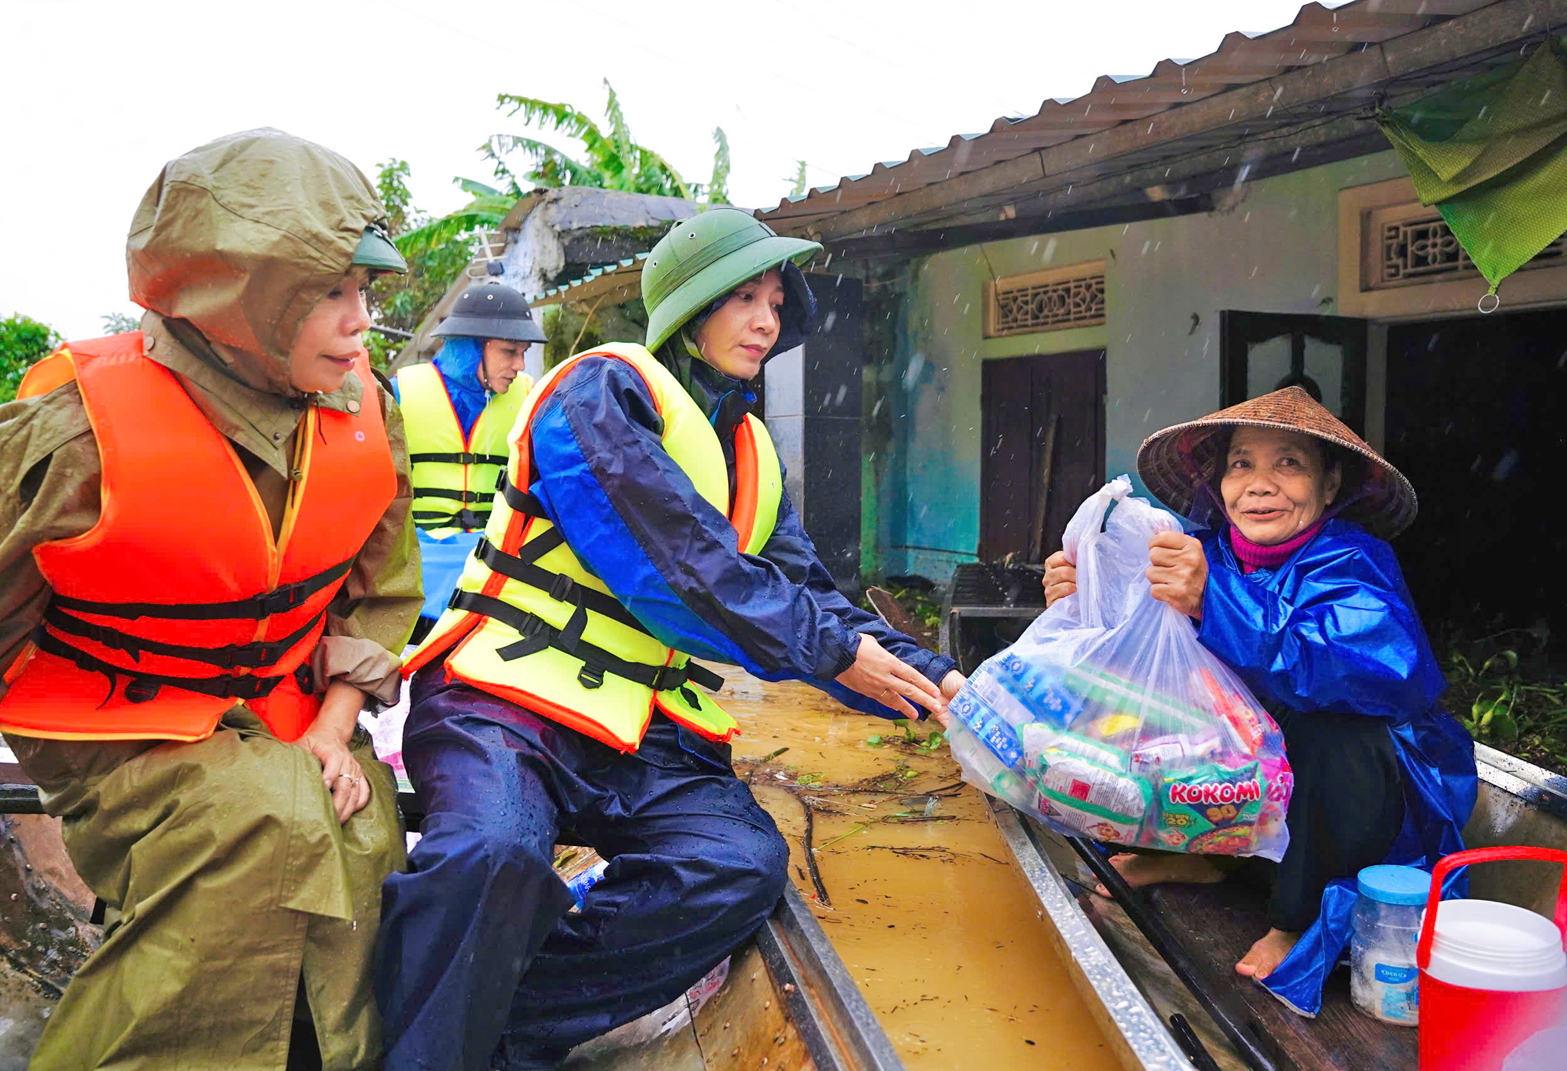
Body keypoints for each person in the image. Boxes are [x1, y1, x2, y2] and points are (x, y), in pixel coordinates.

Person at [377, 208, 964, 1071]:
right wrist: (833, 653)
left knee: (737, 865)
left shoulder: (754, 453)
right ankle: (425, 1046)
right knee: (492, 853)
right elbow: (675, 568)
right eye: (744, 298)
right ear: (690, 308)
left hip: (645, 730)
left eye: (776, 300)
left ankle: (497, 1026)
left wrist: (941, 681)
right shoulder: (598, 393)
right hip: (503, 701)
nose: (767, 320)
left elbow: (810, 596)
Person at [0, 129, 422, 1070]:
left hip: (291, 706)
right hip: (117, 723)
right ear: (243, 300)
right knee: (259, 817)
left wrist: (334, 721)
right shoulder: (79, 430)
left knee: (359, 823)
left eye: (366, 292)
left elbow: (378, 597)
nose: (362, 323)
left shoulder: (362, 412)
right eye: (330, 293)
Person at [1043, 386, 1475, 1015]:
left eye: (1289, 464)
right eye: (1241, 464)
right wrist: (1086, 597)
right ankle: (1204, 858)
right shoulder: (1203, 549)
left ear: (1329, 487)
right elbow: (1132, 656)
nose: (1259, 484)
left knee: (1335, 729)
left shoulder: (1353, 560)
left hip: (1370, 799)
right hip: (1253, 786)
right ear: (1219, 484)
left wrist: (1208, 602)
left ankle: (1296, 916)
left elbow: (1350, 673)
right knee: (1153, 697)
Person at [392, 283, 543, 633]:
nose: (519, 365)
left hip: (495, 557)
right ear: (474, 347)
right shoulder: (400, 391)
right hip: (413, 559)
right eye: (509, 351)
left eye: (523, 352)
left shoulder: (531, 397)